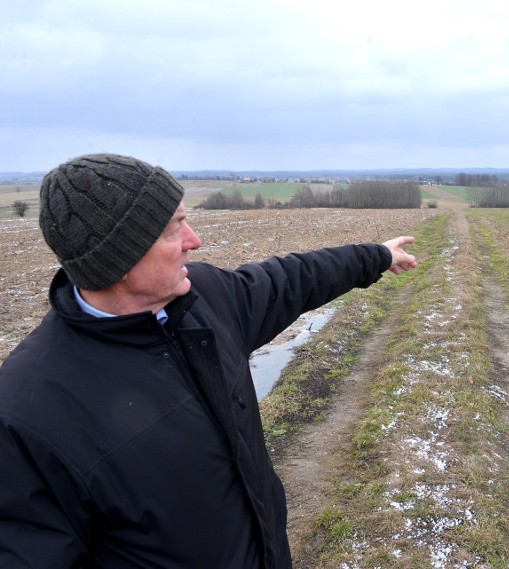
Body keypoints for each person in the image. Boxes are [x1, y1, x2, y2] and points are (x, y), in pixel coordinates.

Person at [0, 153, 417, 568]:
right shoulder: (26, 413)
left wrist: (375, 256)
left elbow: (291, 280)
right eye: (172, 230)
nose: (194, 240)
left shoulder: (205, 296)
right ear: (119, 258)